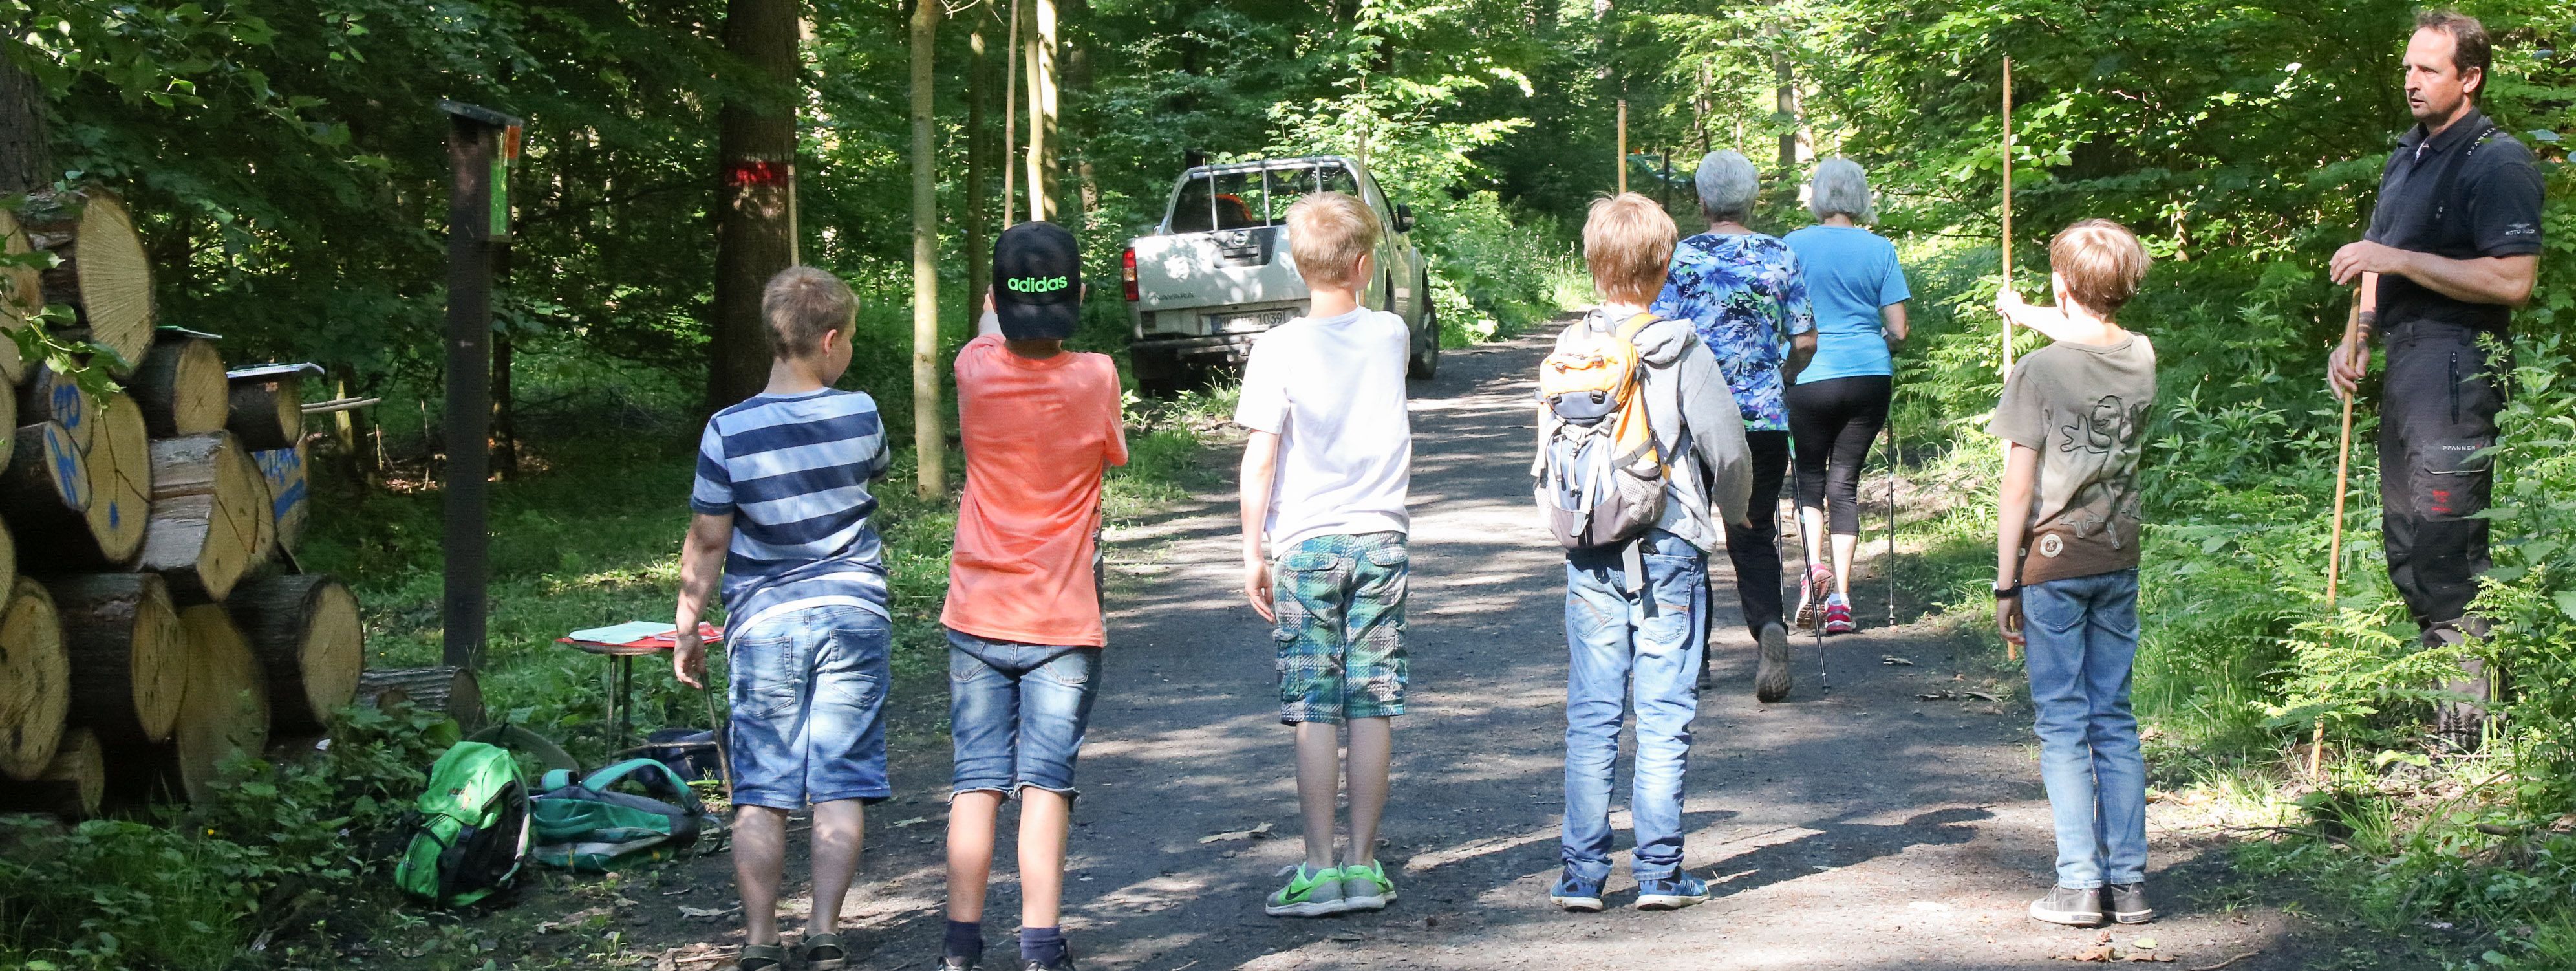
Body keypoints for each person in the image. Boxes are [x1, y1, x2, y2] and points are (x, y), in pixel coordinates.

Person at [2326, 9, 2541, 747]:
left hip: (2460, 365)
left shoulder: (2498, 160)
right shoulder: (2407, 154)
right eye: (2409, 67)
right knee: (2408, 544)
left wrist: (2396, 262)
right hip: (2405, 362)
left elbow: (2513, 280)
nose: (2412, 81)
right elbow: (2377, 260)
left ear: (2470, 77)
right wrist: (2356, 337)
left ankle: (2470, 742)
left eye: (2429, 70)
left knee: (2448, 549)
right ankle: (2446, 724)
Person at [672, 267, 895, 971]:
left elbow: (709, 538)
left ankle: (761, 940)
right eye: (851, 338)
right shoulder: (859, 412)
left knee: (763, 791)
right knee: (840, 781)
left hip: (765, 623)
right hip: (853, 615)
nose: (851, 350)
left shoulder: (727, 430)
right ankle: (825, 932)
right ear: (829, 340)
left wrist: (687, 624)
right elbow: (871, 474)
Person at [1543, 193, 1752, 913]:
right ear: (1665, 266)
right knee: (1664, 708)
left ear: (1593, 263)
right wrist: (1737, 516)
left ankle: (1581, 874)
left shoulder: (1571, 351)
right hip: (1668, 545)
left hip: (1592, 540)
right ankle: (1660, 873)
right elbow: (1728, 446)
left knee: (1593, 711)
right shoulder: (1678, 343)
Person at [939, 221, 1128, 971]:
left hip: (977, 610)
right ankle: (1041, 946)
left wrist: (1000, 302)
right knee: (1046, 783)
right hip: (1063, 616)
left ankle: (960, 946)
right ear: (1078, 297)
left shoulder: (973, 367)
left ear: (994, 300)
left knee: (975, 782)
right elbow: (1111, 450)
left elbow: (993, 328)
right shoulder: (1097, 376)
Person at [1234, 191, 1413, 919]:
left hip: (1306, 543)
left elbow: (1260, 459)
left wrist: (1254, 550)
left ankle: (1317, 868)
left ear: (1294, 264)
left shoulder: (1276, 348)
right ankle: (1365, 865)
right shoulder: (1393, 334)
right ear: (1365, 265)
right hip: (1381, 537)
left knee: (1316, 705)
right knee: (1372, 700)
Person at [1991, 219, 2158, 928]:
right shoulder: (2142, 355)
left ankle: (2079, 883)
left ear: (2062, 285)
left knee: (2062, 723)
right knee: (2113, 719)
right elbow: (2088, 334)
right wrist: (2020, 310)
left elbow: (2017, 491)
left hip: (2053, 563)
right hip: (2118, 556)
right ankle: (2130, 883)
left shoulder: (2038, 371)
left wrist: (2006, 584)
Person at [1653, 150, 1817, 699]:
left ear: (1701, 202)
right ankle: (1769, 625)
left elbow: (1656, 335)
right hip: (1763, 418)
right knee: (1753, 528)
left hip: (1694, 416)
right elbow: (1806, 341)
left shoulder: (1680, 259)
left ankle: (1692, 657)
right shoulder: (1781, 255)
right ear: (1752, 199)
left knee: (1688, 529)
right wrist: (1783, 377)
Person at [1783, 158, 1911, 635]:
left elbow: (1781, 313)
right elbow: (1898, 329)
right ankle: (1841, 600)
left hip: (1809, 374)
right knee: (1845, 484)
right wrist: (1879, 336)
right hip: (1867, 375)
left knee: (1809, 479)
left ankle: (1812, 571)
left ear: (1817, 196)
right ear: (1861, 198)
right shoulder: (1880, 249)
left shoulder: (1793, 244)